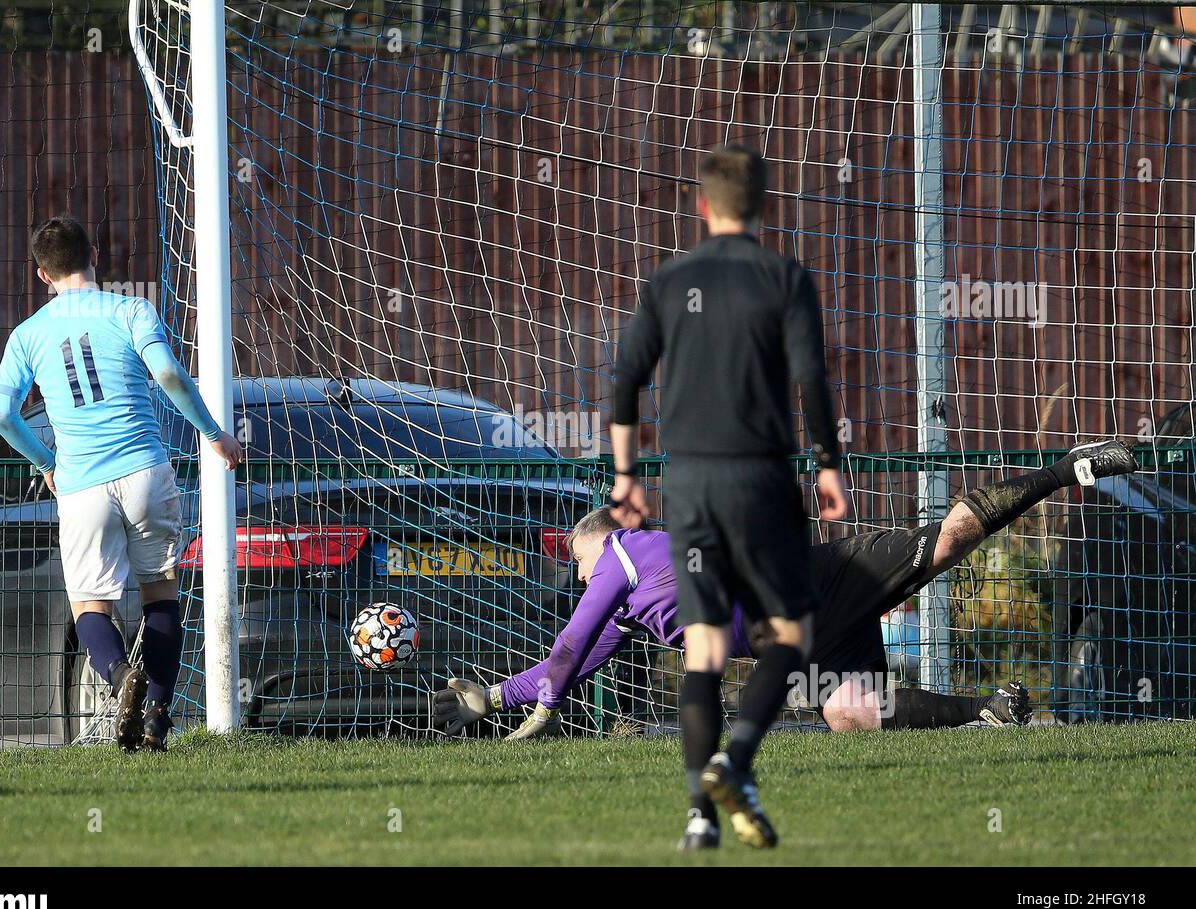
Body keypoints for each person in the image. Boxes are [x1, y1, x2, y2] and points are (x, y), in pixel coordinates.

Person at [435, 440, 1141, 850]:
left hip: (827, 579)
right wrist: (497, 694)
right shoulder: (627, 607)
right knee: (850, 715)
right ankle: (989, 712)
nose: (579, 575)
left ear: (596, 541)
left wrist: (544, 703)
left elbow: (566, 646)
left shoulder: (620, 553)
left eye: (577, 562)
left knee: (950, 541)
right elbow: (572, 662)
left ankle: (1066, 468)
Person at [605, 143, 849, 849]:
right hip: (761, 478)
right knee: (793, 634)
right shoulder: (784, 277)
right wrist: (827, 464)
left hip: (689, 484)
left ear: (701, 204)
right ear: (763, 203)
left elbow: (624, 382)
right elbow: (811, 380)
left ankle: (698, 817)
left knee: (704, 650)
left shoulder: (668, 281)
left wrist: (626, 480)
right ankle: (735, 760)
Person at [0, 215, 244, 752]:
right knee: (159, 594)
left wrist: (47, 463)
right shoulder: (131, 309)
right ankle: (155, 717)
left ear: (42, 275)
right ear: (96, 254)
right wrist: (214, 434)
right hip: (145, 473)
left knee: (90, 606)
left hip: (82, 485)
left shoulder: (27, 334)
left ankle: (116, 677)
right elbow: (170, 374)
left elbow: (3, 417)